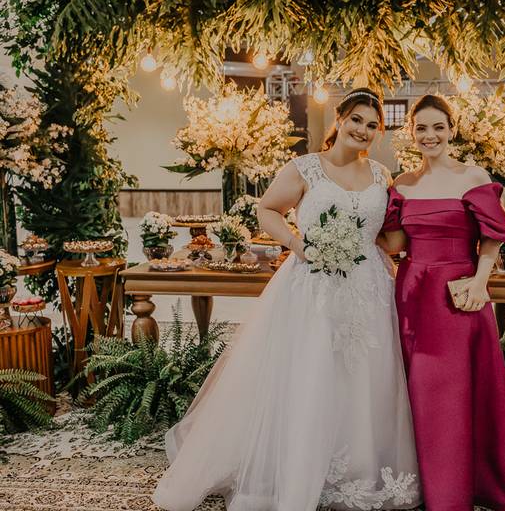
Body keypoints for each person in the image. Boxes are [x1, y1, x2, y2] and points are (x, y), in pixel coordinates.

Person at [152, 88, 420, 511]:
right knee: (311, 374)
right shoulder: (305, 167)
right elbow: (268, 210)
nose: (363, 130)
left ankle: (358, 469)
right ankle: (297, 467)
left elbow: (388, 238)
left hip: (368, 288)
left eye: (373, 125)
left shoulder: (382, 175)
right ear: (339, 118)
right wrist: (299, 245)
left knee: (365, 378)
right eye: (356, 120)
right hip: (312, 286)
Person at [381, 94, 505, 510]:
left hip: (459, 292)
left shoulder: (472, 176)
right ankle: (420, 482)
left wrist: (481, 281)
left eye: (438, 127)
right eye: (421, 128)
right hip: (413, 293)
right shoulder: (402, 184)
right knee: (417, 386)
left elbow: (493, 236)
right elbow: (396, 243)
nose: (430, 135)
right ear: (411, 133)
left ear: (452, 130)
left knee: (453, 387)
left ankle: (456, 487)